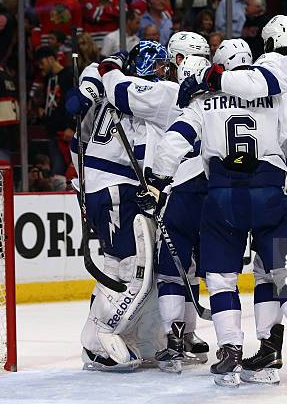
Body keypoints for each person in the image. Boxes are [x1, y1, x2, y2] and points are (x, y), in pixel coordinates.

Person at [151, 35, 287, 387]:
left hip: (223, 198)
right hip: (270, 195)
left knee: (221, 278)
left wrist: (156, 181)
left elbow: (173, 142)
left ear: (222, 67)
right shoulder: (276, 95)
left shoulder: (204, 99)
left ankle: (230, 348)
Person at [101, 33, 211, 373]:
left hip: (175, 188)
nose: (163, 68)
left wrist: (109, 65)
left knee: (168, 268)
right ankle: (195, 335)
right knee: (197, 269)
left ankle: (172, 338)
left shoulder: (167, 92)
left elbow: (119, 91)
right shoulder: (218, 97)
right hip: (215, 191)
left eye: (170, 61)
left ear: (180, 61)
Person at [65, 45, 166, 372]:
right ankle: (99, 343)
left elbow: (74, 125)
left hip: (97, 186)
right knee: (131, 266)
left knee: (113, 264)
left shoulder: (105, 81)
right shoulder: (146, 98)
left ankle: (101, 340)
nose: (164, 72)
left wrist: (90, 87)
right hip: (114, 189)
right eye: (161, 67)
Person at [35, 45, 75, 176]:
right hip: (53, 133)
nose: (40, 66)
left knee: (62, 172)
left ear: (51, 59)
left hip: (66, 134)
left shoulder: (69, 75)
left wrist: (72, 126)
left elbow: (73, 102)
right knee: (56, 173)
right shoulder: (47, 79)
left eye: (42, 62)